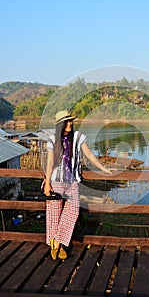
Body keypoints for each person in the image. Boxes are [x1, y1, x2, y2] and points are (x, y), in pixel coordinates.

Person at [43, 110, 112, 260]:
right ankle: (58, 247)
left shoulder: (78, 137)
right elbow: (49, 163)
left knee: (73, 211)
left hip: (72, 181)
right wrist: (47, 182)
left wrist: (103, 168)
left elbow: (89, 155)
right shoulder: (52, 139)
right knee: (55, 213)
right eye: (66, 122)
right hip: (56, 181)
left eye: (71, 121)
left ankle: (58, 241)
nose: (69, 124)